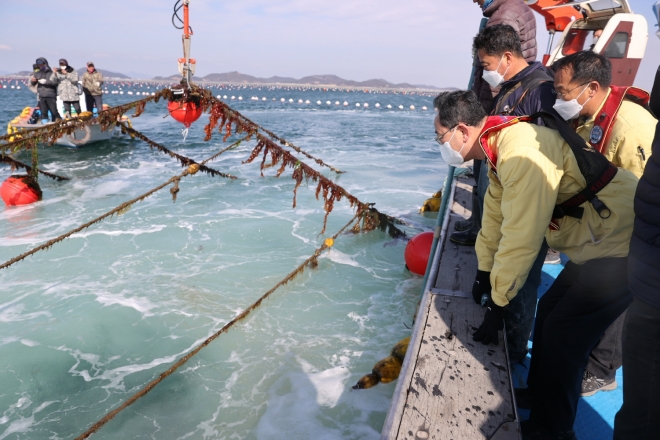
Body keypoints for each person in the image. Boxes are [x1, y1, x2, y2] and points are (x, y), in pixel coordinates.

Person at [433, 90, 637, 439]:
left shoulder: (520, 153)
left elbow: (521, 237)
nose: (441, 145)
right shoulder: (500, 144)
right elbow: (495, 220)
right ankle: (540, 394)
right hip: (598, 239)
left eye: (441, 137)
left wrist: (498, 302)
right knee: (551, 312)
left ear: (463, 131)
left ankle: (553, 430)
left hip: (622, 240)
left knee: (564, 334)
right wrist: (484, 271)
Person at [552, 51, 657, 397]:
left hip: (630, 239)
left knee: (618, 307)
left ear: (591, 87)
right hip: (602, 235)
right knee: (559, 311)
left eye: (564, 92)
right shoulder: (586, 115)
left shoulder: (630, 129)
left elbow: (644, 191)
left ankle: (602, 369)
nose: (559, 99)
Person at [464, 24, 556, 365]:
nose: (485, 71)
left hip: (527, 202)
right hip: (504, 197)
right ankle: (502, 327)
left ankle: (514, 353)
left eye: (486, 64)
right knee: (506, 265)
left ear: (506, 56)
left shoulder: (539, 90)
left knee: (523, 276)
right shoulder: (510, 89)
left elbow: (540, 160)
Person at [453, 0, 537, 245]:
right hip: (506, 103)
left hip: (495, 108)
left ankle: (482, 231)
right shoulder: (519, 8)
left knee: (486, 176)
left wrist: (479, 118)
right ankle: (480, 226)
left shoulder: (504, 16)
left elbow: (493, 74)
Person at [30, 58, 61, 123]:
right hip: (41, 95)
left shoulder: (51, 73)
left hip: (50, 95)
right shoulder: (37, 73)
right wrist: (33, 81)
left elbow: (55, 83)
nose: (41, 66)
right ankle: (45, 126)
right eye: (39, 65)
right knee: (43, 112)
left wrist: (46, 82)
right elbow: (33, 84)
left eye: (42, 65)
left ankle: (58, 123)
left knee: (54, 111)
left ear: (45, 64)